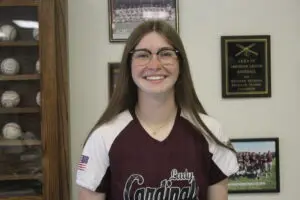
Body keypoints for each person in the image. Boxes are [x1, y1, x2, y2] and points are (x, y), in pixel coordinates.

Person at [76, 19, 239, 200]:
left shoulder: (210, 132)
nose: (154, 65)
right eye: (143, 55)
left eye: (166, 54)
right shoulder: (103, 137)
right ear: (129, 65)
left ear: (180, 63)